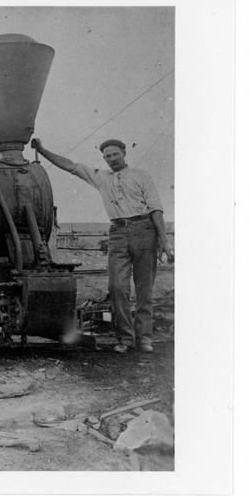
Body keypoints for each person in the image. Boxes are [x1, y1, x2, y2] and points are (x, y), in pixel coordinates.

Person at [31, 138, 174, 353]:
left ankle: (144, 339)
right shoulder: (101, 177)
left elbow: (156, 208)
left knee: (144, 290)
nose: (111, 159)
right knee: (117, 287)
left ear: (124, 153)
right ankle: (125, 339)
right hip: (117, 233)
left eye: (115, 154)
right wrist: (42, 150)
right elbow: (71, 166)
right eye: (107, 156)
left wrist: (164, 239)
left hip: (145, 231)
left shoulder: (141, 175)